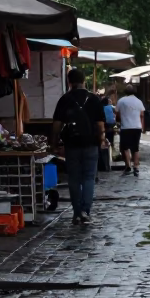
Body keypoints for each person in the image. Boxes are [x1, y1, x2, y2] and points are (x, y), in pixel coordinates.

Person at [51, 68, 107, 226]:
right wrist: (102, 140)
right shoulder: (94, 99)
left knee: (74, 179)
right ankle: (85, 211)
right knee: (89, 177)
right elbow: (100, 124)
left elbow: (56, 125)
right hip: (91, 143)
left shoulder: (65, 99)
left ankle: (76, 213)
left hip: (71, 144)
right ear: (84, 81)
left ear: (69, 82)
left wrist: (54, 144)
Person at [115, 86, 146, 175]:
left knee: (125, 148)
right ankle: (136, 166)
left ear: (125, 91)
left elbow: (117, 114)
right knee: (135, 148)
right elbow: (142, 114)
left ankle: (128, 165)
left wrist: (121, 120)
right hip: (137, 127)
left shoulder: (121, 101)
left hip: (126, 127)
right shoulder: (139, 101)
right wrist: (141, 126)